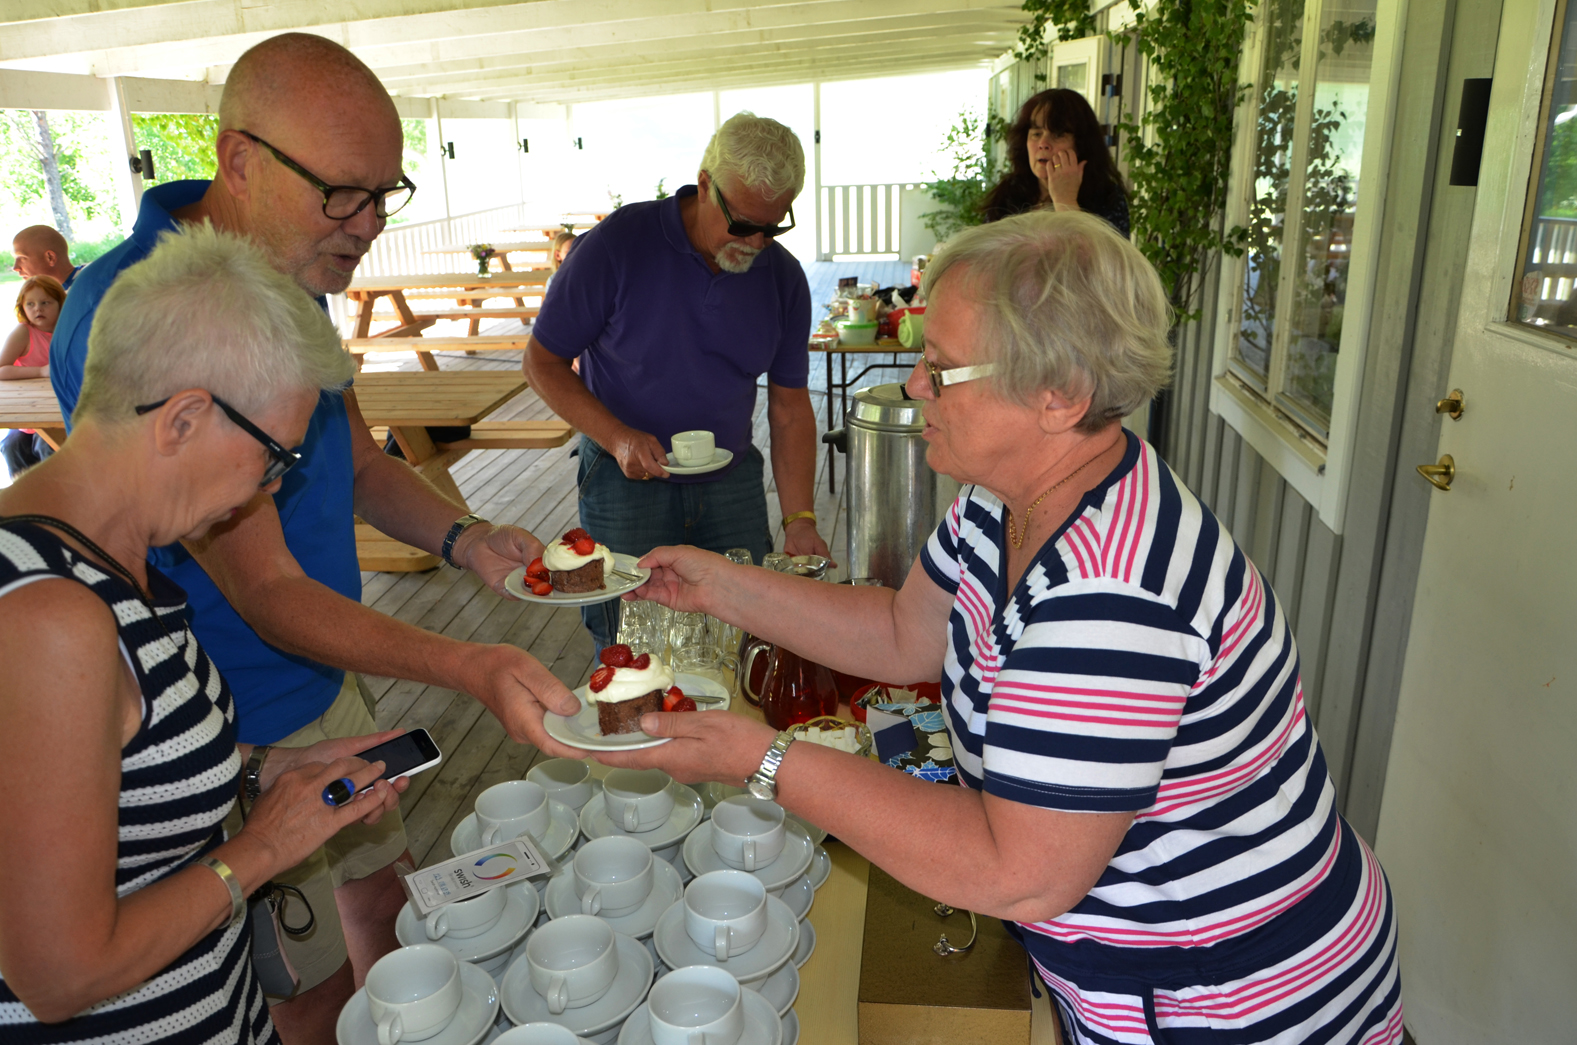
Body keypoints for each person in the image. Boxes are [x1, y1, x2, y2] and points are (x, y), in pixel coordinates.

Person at [600, 212, 1402, 1044]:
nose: (914, 386)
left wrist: (754, 756)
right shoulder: (1005, 498)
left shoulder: (1111, 596)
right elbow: (903, 633)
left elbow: (1014, 873)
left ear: (1058, 396)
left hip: (1236, 1001)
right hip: (1136, 977)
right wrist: (723, 585)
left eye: (941, 369)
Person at [46, 31, 584, 1042]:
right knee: (311, 990)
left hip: (327, 677)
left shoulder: (286, 281)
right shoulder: (144, 310)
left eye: (386, 193)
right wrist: (467, 664)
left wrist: (465, 539)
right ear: (239, 160)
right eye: (342, 192)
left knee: (389, 913)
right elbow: (263, 587)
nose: (368, 224)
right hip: (225, 723)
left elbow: (364, 462)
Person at [0, 224, 407, 1044]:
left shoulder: (120, 560)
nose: (267, 489)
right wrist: (263, 850)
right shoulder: (50, 614)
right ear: (184, 418)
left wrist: (269, 769)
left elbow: (112, 775)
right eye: (274, 458)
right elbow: (59, 973)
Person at [524, 111, 829, 650]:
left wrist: (800, 517)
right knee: (627, 636)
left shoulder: (782, 279)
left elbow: (788, 408)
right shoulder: (619, 245)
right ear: (705, 185)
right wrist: (617, 437)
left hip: (730, 481)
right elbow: (542, 363)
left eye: (773, 226)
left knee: (741, 636)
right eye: (742, 225)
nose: (758, 242)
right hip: (623, 482)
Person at [981, 89, 1130, 237]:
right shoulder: (1009, 194)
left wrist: (1065, 201)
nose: (1043, 144)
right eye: (1036, 134)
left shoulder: (1106, 197)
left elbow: (1103, 259)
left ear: (1081, 145)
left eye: (1058, 135)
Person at [1, 275, 63, 475]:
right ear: (22, 307)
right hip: (28, 411)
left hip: (58, 410)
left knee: (46, 446)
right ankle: (23, 502)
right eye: (31, 304)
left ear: (61, 304)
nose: (38, 308)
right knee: (12, 446)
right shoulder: (23, 332)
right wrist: (39, 371)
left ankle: (56, 501)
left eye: (45, 302)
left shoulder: (68, 331)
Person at [11, 225, 80, 289]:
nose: (15, 268)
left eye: (22, 258)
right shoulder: (47, 296)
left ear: (50, 258)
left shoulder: (86, 286)